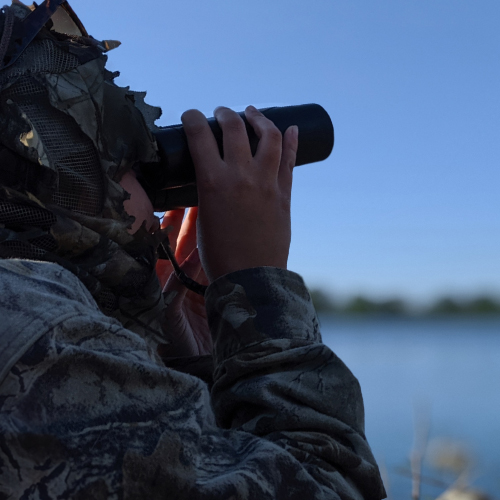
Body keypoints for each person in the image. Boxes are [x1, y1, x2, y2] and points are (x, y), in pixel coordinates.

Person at [0, 1, 386, 498]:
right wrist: (259, 283)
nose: (157, 202)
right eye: (127, 169)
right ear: (64, 182)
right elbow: (326, 487)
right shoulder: (33, 317)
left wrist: (196, 363)